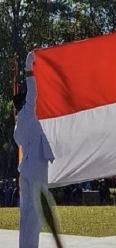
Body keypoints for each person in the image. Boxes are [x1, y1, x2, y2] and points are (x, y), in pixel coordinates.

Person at [14, 52, 55, 248]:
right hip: (36, 167)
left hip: (26, 169)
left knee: (27, 212)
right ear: (24, 103)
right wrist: (29, 65)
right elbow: (33, 91)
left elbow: (20, 141)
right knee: (36, 213)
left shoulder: (18, 125)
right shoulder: (29, 111)